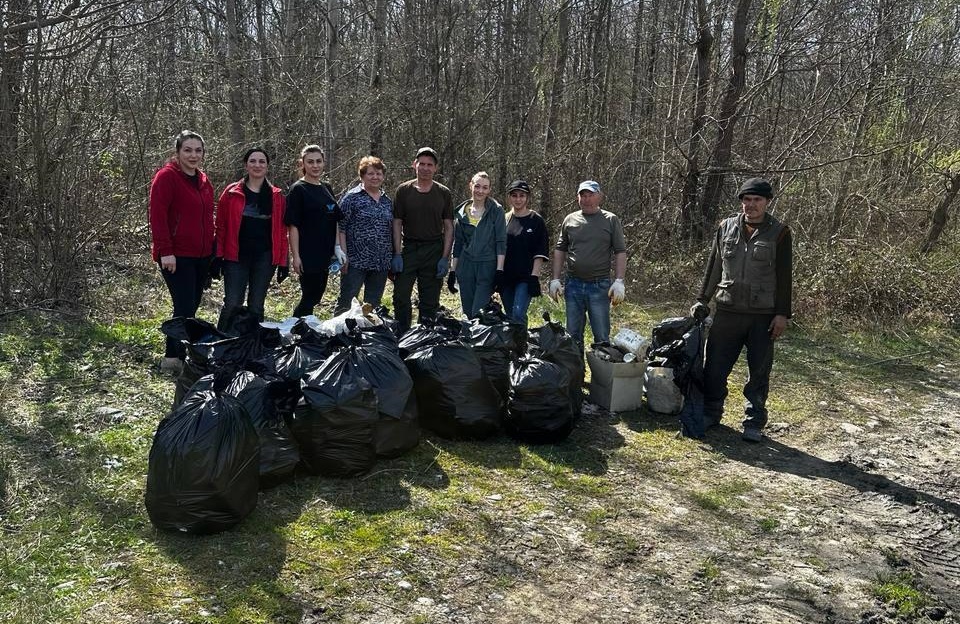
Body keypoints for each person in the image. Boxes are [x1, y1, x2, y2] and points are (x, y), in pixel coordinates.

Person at [690, 177, 793, 443]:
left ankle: (753, 420)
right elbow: (714, 266)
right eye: (747, 200)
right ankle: (712, 412)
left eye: (757, 200)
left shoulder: (780, 232)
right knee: (714, 367)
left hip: (763, 315)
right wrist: (703, 299)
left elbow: (784, 276)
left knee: (758, 371)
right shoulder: (726, 227)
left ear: (767, 202)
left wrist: (782, 313)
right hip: (728, 310)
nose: (751, 205)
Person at [149, 130, 215, 374]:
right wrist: (165, 251)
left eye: (198, 150)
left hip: (202, 255)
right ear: (176, 153)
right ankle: (172, 357)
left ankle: (183, 350)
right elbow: (158, 217)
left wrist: (212, 250)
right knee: (185, 306)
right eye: (187, 150)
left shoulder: (204, 180)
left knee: (192, 305)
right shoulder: (166, 178)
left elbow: (207, 217)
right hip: (176, 256)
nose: (193, 155)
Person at [213, 147, 288, 329]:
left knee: (256, 305)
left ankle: (253, 346)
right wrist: (217, 255)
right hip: (236, 257)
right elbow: (221, 227)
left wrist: (284, 261)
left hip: (264, 258)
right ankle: (221, 342)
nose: (257, 165)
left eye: (262, 161)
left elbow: (281, 231)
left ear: (267, 166)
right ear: (246, 165)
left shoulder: (277, 196)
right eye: (253, 161)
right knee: (232, 303)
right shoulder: (231, 193)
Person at [549, 180, 627, 352]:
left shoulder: (610, 220)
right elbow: (560, 249)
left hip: (599, 286)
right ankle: (577, 375)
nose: (586, 199)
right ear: (578, 198)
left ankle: (601, 375)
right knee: (573, 334)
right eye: (583, 195)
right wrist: (555, 279)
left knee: (601, 335)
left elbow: (620, 251)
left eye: (590, 195)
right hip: (573, 285)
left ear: (599, 196)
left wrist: (619, 281)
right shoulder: (570, 219)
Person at [391, 146, 454, 332]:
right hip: (409, 248)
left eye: (430, 165)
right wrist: (397, 253)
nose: (425, 168)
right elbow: (396, 223)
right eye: (422, 164)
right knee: (401, 296)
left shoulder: (443, 193)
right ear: (414, 165)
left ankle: (424, 335)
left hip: (434, 249)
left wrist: (445, 257)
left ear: (435, 168)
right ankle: (402, 334)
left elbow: (449, 226)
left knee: (430, 299)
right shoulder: (403, 191)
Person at [285, 145, 343, 317]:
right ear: (302, 163)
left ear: (324, 162)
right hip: (307, 253)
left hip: (325, 253)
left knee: (317, 296)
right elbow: (292, 225)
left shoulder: (326, 188)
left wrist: (337, 246)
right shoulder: (298, 189)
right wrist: (295, 256)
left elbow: (336, 219)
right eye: (310, 162)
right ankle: (295, 329)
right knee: (309, 297)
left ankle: (304, 330)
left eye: (318, 161)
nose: (315, 165)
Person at [335, 156, 393, 313]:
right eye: (371, 173)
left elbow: (391, 229)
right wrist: (343, 254)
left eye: (379, 174)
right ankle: (339, 334)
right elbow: (340, 226)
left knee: (372, 305)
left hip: (380, 262)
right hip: (355, 261)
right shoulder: (351, 198)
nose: (375, 177)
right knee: (347, 301)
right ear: (362, 176)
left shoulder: (387, 201)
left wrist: (394, 255)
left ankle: (366, 335)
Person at [447, 171, 506, 318]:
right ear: (470, 186)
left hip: (487, 265)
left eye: (485, 187)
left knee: (478, 311)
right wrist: (453, 270)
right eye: (477, 186)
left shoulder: (496, 211)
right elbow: (458, 242)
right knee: (467, 312)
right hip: (466, 266)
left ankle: (477, 339)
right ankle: (469, 340)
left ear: (489, 190)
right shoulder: (462, 212)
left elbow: (501, 241)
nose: (480, 191)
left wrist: (499, 270)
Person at [498, 180, 549, 325]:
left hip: (526, 278)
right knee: (509, 316)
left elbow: (540, 250)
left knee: (518, 314)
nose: (518, 199)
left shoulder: (536, 221)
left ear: (527, 198)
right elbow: (498, 247)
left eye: (522, 195)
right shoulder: (504, 219)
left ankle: (520, 347)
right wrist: (498, 272)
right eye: (514, 195)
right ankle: (514, 345)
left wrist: (534, 277)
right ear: (509, 198)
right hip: (506, 276)